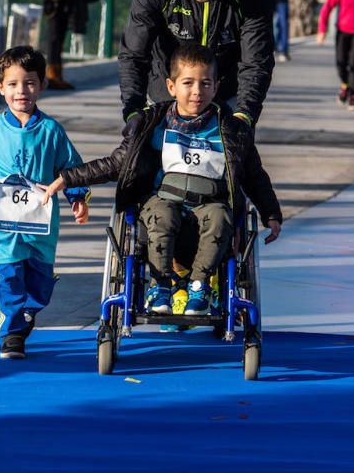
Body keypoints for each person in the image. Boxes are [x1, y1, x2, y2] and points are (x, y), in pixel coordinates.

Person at [42, 45, 282, 316]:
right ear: (171, 86)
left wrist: (271, 212)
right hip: (164, 201)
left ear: (216, 87)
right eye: (188, 83)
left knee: (220, 217)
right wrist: (66, 178)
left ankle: (200, 286)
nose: (197, 91)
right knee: (161, 214)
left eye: (205, 83)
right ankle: (161, 284)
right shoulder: (155, 123)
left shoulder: (232, 129)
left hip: (210, 204)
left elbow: (254, 175)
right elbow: (117, 163)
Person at [0, 46, 90, 359]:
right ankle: (12, 333)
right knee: (9, 275)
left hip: (39, 227)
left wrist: (77, 198)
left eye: (29, 83)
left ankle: (27, 312)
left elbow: (70, 170)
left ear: (42, 85)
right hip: (0, 227)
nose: (20, 91)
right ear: (0, 88)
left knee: (39, 283)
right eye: (12, 84)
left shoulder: (52, 132)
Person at [119, 0, 275, 128]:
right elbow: (134, 53)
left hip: (226, 104)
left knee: (238, 158)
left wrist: (244, 116)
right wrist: (133, 110)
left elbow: (256, 61)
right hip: (165, 100)